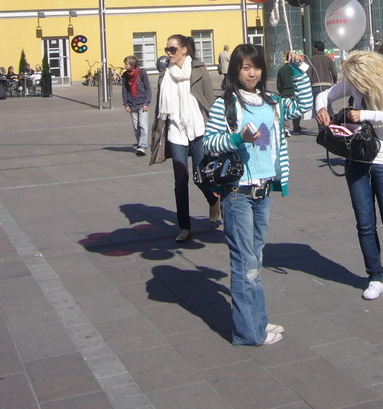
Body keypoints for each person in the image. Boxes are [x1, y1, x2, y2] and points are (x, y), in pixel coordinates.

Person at [204, 44, 312, 346]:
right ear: (236, 71)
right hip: (238, 193)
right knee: (244, 263)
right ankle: (247, 333)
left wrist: (298, 68)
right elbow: (210, 143)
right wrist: (239, 138)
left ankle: (258, 322)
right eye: (245, 67)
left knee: (256, 260)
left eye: (256, 67)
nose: (251, 73)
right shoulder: (225, 104)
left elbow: (303, 104)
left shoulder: (272, 102)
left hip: (263, 191)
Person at [314, 51, 383, 300]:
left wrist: (365, 115)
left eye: (359, 82)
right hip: (356, 159)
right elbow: (324, 94)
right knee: (365, 223)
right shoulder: (355, 81)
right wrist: (321, 109)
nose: (356, 87)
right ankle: (375, 276)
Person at [152, 34, 219, 242]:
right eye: (167, 50)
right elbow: (159, 109)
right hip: (176, 130)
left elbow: (209, 99)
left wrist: (216, 127)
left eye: (172, 49)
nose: (169, 53)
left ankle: (213, 199)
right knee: (180, 179)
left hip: (198, 128)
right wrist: (156, 134)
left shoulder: (198, 70)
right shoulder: (165, 75)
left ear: (184, 50)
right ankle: (184, 226)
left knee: (201, 175)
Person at [121, 55, 151, 156]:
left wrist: (147, 103)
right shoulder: (125, 76)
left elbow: (148, 89)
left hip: (142, 103)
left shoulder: (142, 73)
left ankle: (142, 146)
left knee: (143, 125)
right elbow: (124, 91)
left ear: (132, 65)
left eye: (126, 64)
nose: (124, 65)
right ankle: (139, 144)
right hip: (132, 103)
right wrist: (126, 104)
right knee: (136, 127)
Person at [275, 51, 305, 136]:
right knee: (295, 109)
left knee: (284, 110)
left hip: (284, 92)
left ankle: (285, 128)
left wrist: (281, 91)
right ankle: (296, 127)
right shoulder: (294, 69)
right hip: (294, 92)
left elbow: (278, 83)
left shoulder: (281, 69)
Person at [307, 40, 337, 108]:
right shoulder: (329, 59)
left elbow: (309, 74)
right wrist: (335, 81)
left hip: (316, 86)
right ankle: (330, 117)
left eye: (313, 48)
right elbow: (334, 73)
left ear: (316, 49)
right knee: (328, 105)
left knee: (319, 106)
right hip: (327, 85)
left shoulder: (311, 59)